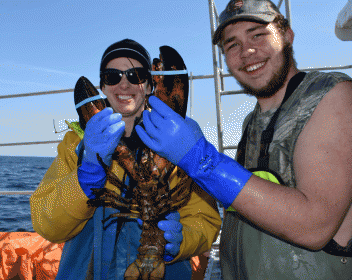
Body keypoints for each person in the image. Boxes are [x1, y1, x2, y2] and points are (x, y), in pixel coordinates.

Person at [135, 0, 352, 279]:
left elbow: (315, 226)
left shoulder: (333, 95)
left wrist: (202, 160)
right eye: (232, 45)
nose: (247, 52)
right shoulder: (253, 122)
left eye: (258, 35)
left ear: (287, 35)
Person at [30, 39, 221, 280]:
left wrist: (183, 240)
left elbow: (205, 219)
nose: (124, 83)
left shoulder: (182, 139)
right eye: (112, 76)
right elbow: (48, 225)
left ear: (151, 85)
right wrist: (84, 179)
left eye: (136, 75)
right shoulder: (75, 145)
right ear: (102, 87)